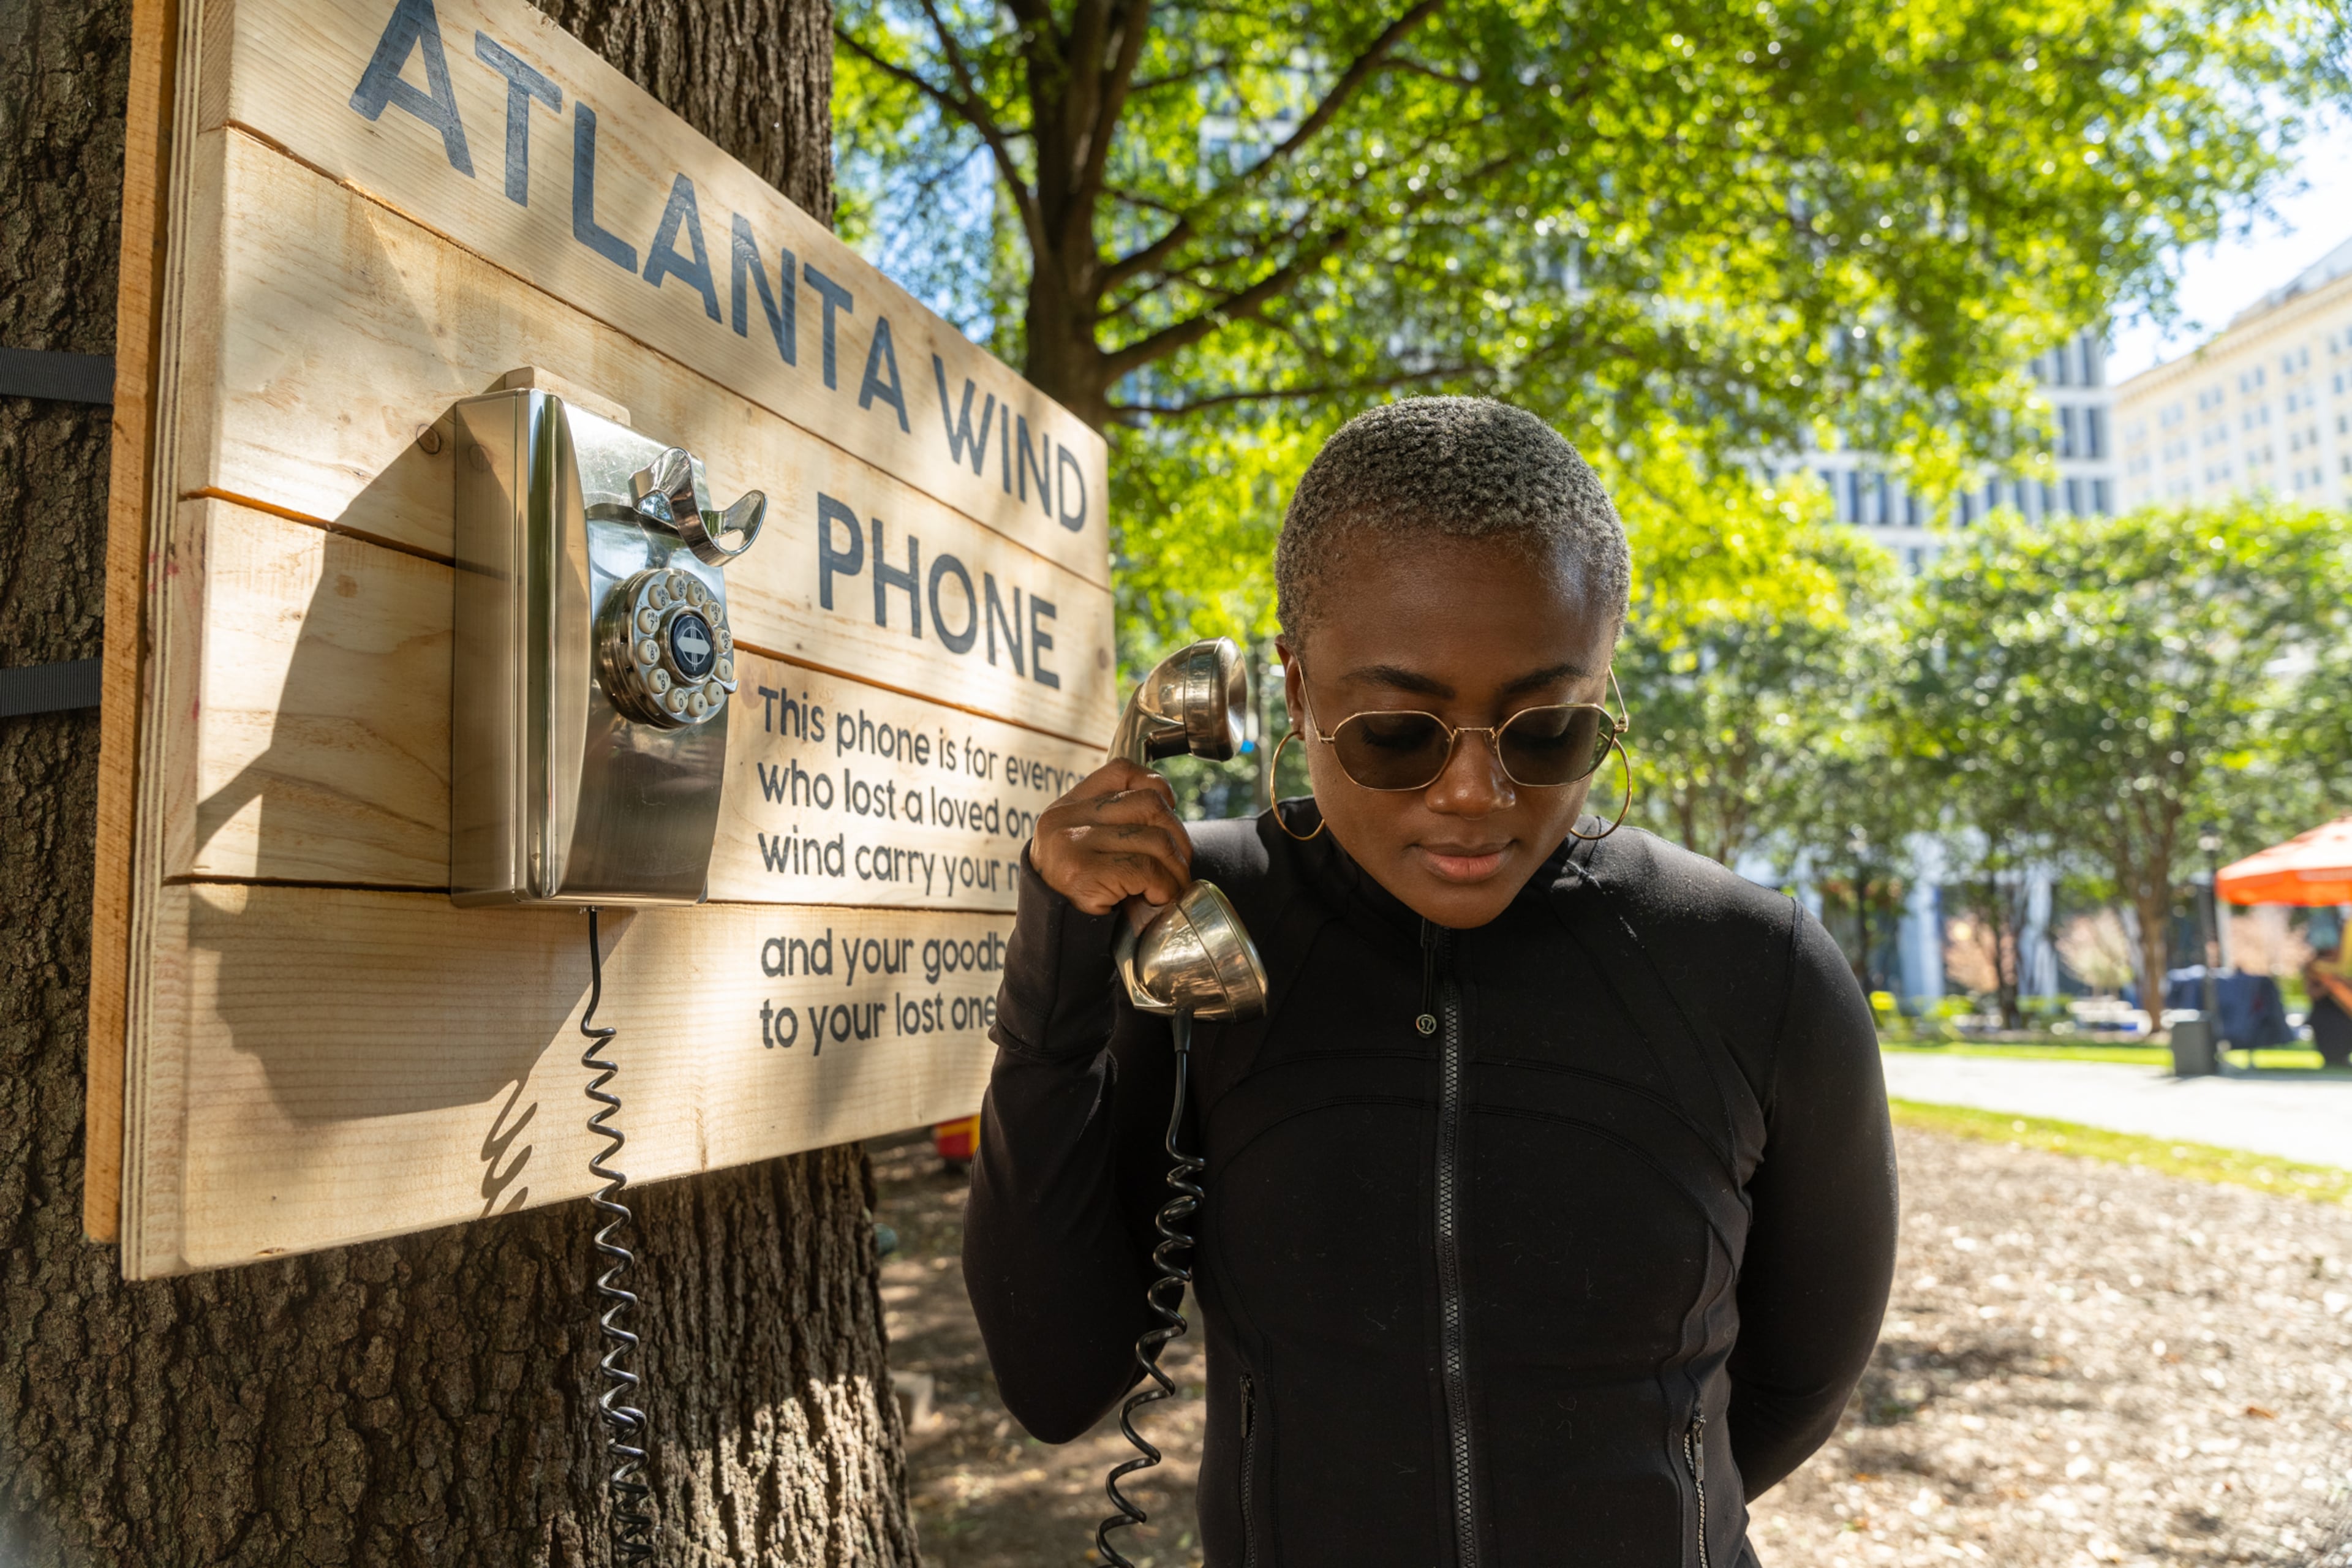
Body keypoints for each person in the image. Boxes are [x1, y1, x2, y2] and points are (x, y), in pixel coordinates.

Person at [963, 398, 1898, 1566]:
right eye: (1398, 733)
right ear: (1297, 692)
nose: (1472, 793)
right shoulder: (1190, 928)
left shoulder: (1758, 965)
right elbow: (1055, 1379)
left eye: (1547, 728)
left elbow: (1798, 1384)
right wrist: (1056, 978)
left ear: (1605, 685)